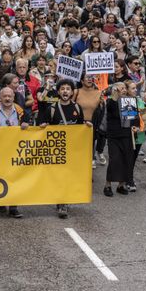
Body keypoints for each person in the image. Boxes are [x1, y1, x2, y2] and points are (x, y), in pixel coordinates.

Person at [37, 79, 88, 219]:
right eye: (62, 89)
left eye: (68, 89)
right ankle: (61, 203)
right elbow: (43, 126)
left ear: (72, 92)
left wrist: (86, 126)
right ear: (58, 92)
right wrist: (43, 126)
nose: (65, 91)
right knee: (59, 176)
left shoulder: (77, 108)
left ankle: (64, 199)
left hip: (72, 150)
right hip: (57, 150)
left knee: (68, 175)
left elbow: (80, 127)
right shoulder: (51, 109)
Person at [0, 87, 28, 218]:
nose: (7, 99)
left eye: (10, 96)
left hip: (16, 150)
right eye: (4, 96)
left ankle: (13, 207)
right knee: (0, 176)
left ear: (13, 97)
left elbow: (30, 125)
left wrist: (27, 125)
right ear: (0, 98)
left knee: (14, 176)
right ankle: (1, 203)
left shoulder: (21, 111)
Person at [103, 83, 138, 197]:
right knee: (114, 160)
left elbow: (133, 118)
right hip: (114, 135)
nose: (123, 90)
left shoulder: (130, 100)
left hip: (127, 134)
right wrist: (114, 94)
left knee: (126, 160)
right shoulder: (111, 102)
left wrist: (135, 125)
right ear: (116, 89)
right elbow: (110, 111)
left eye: (124, 88)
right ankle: (107, 185)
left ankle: (120, 185)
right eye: (121, 88)